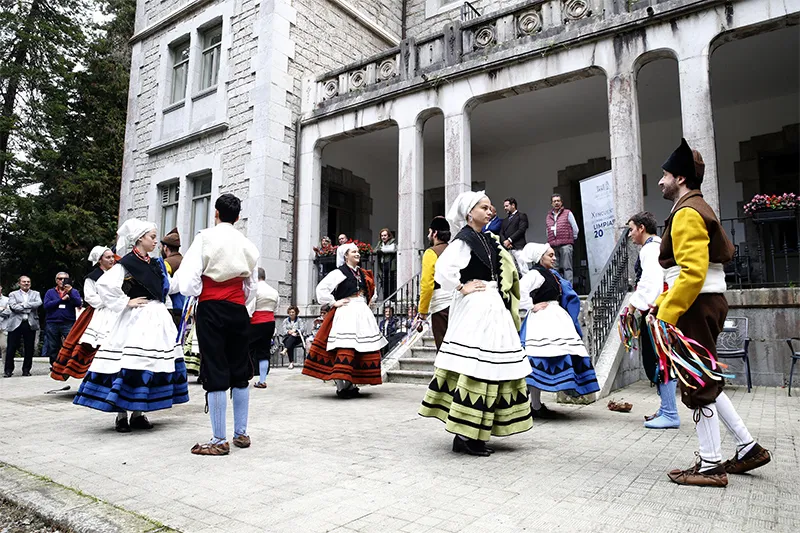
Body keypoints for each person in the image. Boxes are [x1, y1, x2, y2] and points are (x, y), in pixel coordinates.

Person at [653, 139, 770, 486]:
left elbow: (692, 272)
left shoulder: (687, 212)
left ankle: (710, 465)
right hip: (702, 301)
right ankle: (748, 447)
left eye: (665, 175)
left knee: (697, 383)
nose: (660, 181)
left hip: (694, 305)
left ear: (680, 178)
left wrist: (666, 314)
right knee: (706, 379)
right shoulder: (695, 207)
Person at [419, 191, 532, 457]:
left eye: (490, 207)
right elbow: (444, 269)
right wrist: (461, 287)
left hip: (491, 305)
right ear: (470, 213)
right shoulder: (464, 239)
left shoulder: (487, 238)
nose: (490, 210)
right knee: (475, 364)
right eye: (484, 207)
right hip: (476, 308)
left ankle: (477, 432)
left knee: (490, 365)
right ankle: (463, 435)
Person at [74, 220, 189, 432]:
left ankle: (138, 413)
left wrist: (188, 269)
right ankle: (121, 415)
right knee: (127, 362)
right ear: (140, 238)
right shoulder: (126, 263)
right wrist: (125, 302)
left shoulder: (157, 263)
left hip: (157, 318)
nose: (155, 241)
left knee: (148, 364)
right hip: (135, 318)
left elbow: (170, 287)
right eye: (152, 237)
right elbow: (105, 284)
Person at [172, 193, 259, 456]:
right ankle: (241, 433)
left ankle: (219, 439)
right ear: (238, 217)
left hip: (211, 307)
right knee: (240, 369)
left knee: (215, 368)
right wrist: (240, 303)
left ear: (216, 213)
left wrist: (201, 293)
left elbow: (188, 279)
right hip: (238, 309)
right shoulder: (248, 244)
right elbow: (251, 286)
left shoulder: (204, 238)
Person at [518, 243, 599, 419]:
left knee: (554, 357)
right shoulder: (535, 274)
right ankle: (534, 405)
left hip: (555, 318)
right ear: (540, 258)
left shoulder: (552, 275)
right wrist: (531, 305)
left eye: (554, 255)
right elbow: (519, 289)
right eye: (550, 255)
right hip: (541, 321)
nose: (554, 258)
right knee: (538, 358)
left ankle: (536, 405)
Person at [303, 242, 387, 397]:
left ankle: (351, 384)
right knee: (345, 346)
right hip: (346, 312)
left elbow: (372, 292)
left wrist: (366, 302)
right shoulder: (339, 272)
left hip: (361, 312)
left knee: (360, 347)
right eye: (353, 252)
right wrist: (333, 302)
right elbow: (321, 288)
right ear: (346, 256)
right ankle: (342, 386)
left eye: (358, 251)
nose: (357, 254)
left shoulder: (362, 273)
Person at [625, 212, 673, 429]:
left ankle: (670, 412)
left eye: (631, 229)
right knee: (659, 358)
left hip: (656, 312)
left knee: (659, 359)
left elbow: (650, 282)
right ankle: (666, 408)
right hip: (659, 309)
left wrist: (632, 306)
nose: (630, 234)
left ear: (642, 228)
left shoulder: (650, 249)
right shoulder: (655, 246)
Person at [51, 247, 118, 381]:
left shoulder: (117, 274)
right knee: (91, 343)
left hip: (116, 311)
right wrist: (110, 300)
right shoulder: (92, 278)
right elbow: (90, 297)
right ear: (99, 260)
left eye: (112, 257)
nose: (112, 260)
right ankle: (91, 377)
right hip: (98, 314)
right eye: (108, 257)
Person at [418, 216, 451, 349]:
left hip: (441, 306)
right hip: (459, 303)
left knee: (443, 349)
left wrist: (422, 311)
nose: (428, 235)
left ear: (435, 233)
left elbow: (427, 284)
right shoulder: (455, 250)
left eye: (429, 232)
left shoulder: (431, 253)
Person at [4, 276, 42, 377]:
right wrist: (29, 306)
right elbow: (13, 307)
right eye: (24, 281)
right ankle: (8, 370)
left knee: (29, 348)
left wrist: (23, 305)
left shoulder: (36, 293)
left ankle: (26, 370)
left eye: (28, 282)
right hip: (16, 324)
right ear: (19, 283)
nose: (26, 283)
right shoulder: (13, 294)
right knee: (11, 347)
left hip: (30, 323)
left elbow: (38, 303)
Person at [43, 272, 82, 367]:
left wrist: (70, 292)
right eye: (60, 279)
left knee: (71, 344)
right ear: (56, 280)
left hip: (68, 321)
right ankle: (54, 365)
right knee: (53, 345)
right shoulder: (50, 292)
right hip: (52, 322)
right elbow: (46, 305)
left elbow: (78, 303)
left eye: (65, 279)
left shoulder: (73, 291)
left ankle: (71, 364)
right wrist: (61, 300)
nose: (62, 281)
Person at [248, 267, 279, 389]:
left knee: (247, 350)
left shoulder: (255, 289)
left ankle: (244, 376)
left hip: (256, 322)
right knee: (264, 351)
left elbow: (250, 308)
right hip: (269, 322)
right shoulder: (274, 291)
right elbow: (275, 309)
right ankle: (262, 380)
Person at [545, 194, 580, 283]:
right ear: (551, 203)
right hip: (553, 246)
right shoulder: (549, 216)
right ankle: (557, 288)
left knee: (567, 268)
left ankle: (569, 288)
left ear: (561, 202)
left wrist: (571, 239)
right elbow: (547, 230)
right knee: (554, 268)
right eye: (554, 201)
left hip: (565, 245)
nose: (556, 203)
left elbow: (575, 228)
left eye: (558, 201)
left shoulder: (567, 213)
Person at [161, 227, 186, 327]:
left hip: (173, 309)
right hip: (185, 308)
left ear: (165, 248)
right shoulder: (185, 261)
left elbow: (164, 284)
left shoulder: (166, 263)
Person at [500, 197, 530, 275]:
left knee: (523, 270)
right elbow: (501, 233)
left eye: (507, 206)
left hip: (518, 247)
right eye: (504, 206)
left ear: (513, 205)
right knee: (512, 270)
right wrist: (505, 242)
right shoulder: (505, 220)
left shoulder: (521, 216)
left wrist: (509, 240)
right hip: (508, 248)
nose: (505, 208)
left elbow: (521, 230)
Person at [375, 228, 397, 300]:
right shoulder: (380, 243)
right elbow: (375, 250)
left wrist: (382, 250)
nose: (383, 237)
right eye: (382, 236)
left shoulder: (393, 242)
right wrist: (381, 250)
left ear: (388, 236)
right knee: (384, 281)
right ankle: (386, 298)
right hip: (383, 264)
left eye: (385, 235)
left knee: (391, 281)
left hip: (391, 264)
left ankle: (392, 298)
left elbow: (393, 250)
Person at [0, 284, 8, 359]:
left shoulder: (7, 300)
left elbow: (9, 312)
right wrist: (2, 309)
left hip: (3, 328)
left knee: (4, 347)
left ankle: (5, 365)